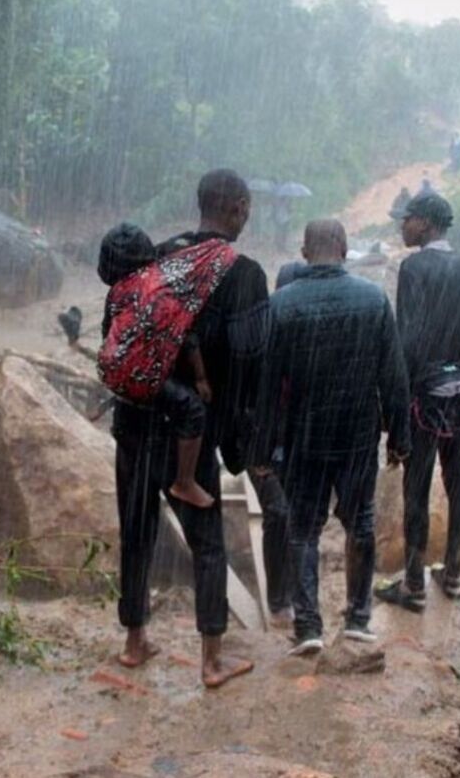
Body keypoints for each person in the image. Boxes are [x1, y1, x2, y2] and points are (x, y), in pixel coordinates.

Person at [107, 169, 271, 688]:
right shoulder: (243, 273)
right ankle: (211, 659)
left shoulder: (160, 253)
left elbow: (127, 323)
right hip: (189, 434)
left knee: (136, 533)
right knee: (208, 543)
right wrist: (245, 442)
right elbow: (251, 364)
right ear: (239, 208)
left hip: (134, 415)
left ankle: (135, 644)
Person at [259, 219, 409, 652]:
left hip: (303, 436)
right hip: (357, 436)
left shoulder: (281, 305)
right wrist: (400, 438)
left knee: (303, 530)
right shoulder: (373, 300)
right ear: (344, 249)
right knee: (360, 522)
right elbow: (393, 378)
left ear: (305, 252)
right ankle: (358, 618)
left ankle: (308, 628)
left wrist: (261, 448)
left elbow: (267, 388)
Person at [376, 191, 460, 611]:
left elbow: (408, 339)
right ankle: (454, 574)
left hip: (423, 397)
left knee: (416, 489)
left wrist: (394, 402)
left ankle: (413, 582)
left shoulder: (414, 268)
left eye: (406, 219)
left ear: (424, 223)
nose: (402, 227)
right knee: (457, 485)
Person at [97, 223, 218, 511]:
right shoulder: (159, 288)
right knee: (193, 410)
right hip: (149, 387)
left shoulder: (116, 293)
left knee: (136, 516)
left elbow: (107, 335)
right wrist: (201, 377)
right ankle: (184, 481)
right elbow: (186, 335)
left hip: (117, 382)